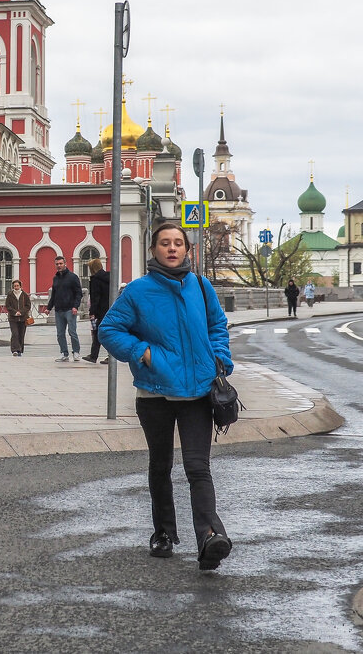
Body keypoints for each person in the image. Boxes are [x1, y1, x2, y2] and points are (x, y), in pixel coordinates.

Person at [99, 222, 234, 571]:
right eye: (165, 243)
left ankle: (208, 536)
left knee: (197, 467)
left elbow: (218, 326)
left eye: (178, 243)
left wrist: (220, 357)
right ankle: (163, 532)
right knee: (161, 466)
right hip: (154, 394)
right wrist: (142, 352)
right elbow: (109, 330)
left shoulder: (202, 287)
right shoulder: (138, 292)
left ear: (187, 250)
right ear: (154, 250)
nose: (172, 249)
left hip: (199, 392)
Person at [41, 255, 83, 362]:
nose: (59, 266)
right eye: (57, 264)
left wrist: (75, 306)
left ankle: (76, 352)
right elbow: (53, 295)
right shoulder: (55, 278)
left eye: (61, 263)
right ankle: (64, 353)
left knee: (72, 332)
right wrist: (49, 308)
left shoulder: (73, 277)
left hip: (70, 309)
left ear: (65, 264)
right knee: (60, 334)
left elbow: (79, 293)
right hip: (59, 310)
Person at [84, 258, 111, 364]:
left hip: (100, 311)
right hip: (109, 309)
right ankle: (94, 355)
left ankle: (96, 356)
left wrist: (92, 312)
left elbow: (95, 297)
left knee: (99, 333)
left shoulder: (95, 280)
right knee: (101, 333)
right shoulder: (109, 277)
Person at [4, 279, 31, 356]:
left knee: (21, 334)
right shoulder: (10, 295)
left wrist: (21, 312)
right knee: (15, 333)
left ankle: (20, 350)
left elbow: (28, 305)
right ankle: (14, 350)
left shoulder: (24, 295)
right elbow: (8, 306)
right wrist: (15, 312)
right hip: (13, 318)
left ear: (20, 286)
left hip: (23, 318)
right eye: (15, 286)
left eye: (17, 286)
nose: (16, 287)